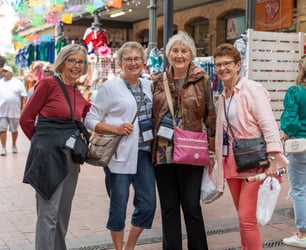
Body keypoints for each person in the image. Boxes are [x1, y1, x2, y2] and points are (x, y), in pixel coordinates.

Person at [213, 43, 287, 250]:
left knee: (247, 218)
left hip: (256, 161)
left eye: (227, 63)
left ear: (238, 65)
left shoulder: (250, 89)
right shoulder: (223, 96)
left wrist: (273, 157)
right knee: (242, 217)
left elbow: (268, 124)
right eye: (218, 64)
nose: (222, 68)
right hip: (234, 162)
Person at [84, 41, 156, 250]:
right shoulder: (109, 87)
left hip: (144, 154)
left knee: (148, 204)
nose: (133, 63)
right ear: (120, 62)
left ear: (143, 62)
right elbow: (90, 120)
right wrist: (115, 129)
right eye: (128, 59)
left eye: (137, 59)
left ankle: (129, 245)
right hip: (119, 156)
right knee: (119, 205)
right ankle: (118, 248)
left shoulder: (148, 85)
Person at [19, 44, 91, 250]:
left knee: (62, 215)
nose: (76, 65)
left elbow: (92, 114)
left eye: (80, 62)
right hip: (49, 159)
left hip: (70, 159)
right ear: (62, 61)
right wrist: (42, 145)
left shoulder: (77, 92)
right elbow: (26, 118)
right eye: (72, 60)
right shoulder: (48, 84)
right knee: (48, 214)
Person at [151, 31, 216, 250]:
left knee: (191, 205)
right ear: (168, 54)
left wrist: (213, 151)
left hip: (192, 151)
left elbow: (211, 116)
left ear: (191, 55)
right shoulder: (157, 81)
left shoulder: (202, 80)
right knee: (169, 208)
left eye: (184, 50)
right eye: (175, 50)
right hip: (163, 151)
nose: (179, 55)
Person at [280, 55, 306, 248]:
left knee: (299, 190)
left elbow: (290, 122)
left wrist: (286, 135)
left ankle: (302, 233)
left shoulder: (295, 91)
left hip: (299, 146)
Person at [0, 65, 27, 156]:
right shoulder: (0, 82)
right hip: (2, 111)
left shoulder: (18, 82)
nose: (4, 73)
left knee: (14, 130)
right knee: (2, 129)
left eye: (6, 71)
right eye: (3, 72)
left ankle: (14, 144)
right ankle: (3, 148)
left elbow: (24, 96)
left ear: (11, 72)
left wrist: (23, 107)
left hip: (14, 111)